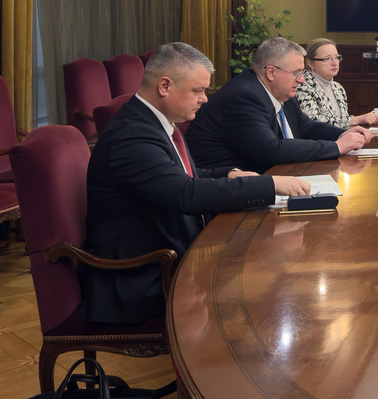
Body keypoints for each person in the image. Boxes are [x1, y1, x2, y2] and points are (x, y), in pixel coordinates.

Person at [83, 42, 311, 324]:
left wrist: (229, 174)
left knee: (267, 273)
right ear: (164, 86)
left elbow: (182, 176)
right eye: (198, 90)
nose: (204, 99)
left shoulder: (155, 120)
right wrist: (269, 185)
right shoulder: (131, 136)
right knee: (264, 290)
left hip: (171, 251)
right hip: (142, 275)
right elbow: (185, 193)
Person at [187, 37, 371, 174]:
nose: (301, 80)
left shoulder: (282, 93)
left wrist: (342, 134)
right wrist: (336, 147)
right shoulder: (244, 96)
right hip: (226, 189)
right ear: (271, 72)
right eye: (296, 73)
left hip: (268, 177)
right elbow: (270, 150)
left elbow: (305, 126)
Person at [295, 38, 378, 128]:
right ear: (310, 63)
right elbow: (312, 122)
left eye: (337, 57)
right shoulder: (302, 86)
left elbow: (342, 122)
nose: (335, 63)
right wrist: (355, 120)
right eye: (327, 58)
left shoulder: (338, 88)